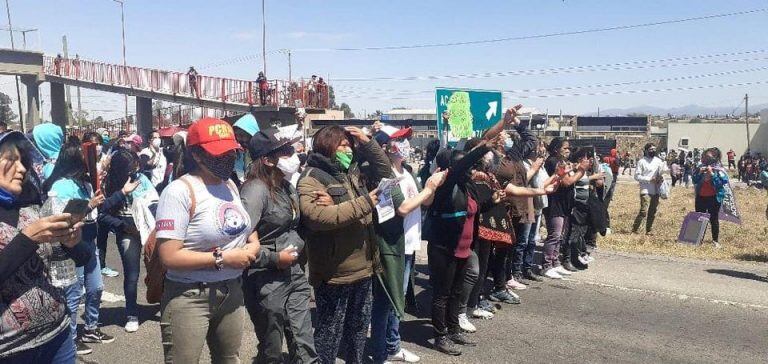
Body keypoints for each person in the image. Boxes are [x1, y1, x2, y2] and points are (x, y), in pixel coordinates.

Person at [156, 118, 260, 363]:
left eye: (230, 152)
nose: (226, 158)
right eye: (219, 153)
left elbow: (246, 227)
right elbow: (169, 257)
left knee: (229, 359)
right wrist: (223, 258)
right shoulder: (179, 191)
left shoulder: (230, 185)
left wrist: (253, 245)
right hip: (190, 295)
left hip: (231, 291)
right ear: (197, 154)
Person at [423, 107, 522, 356]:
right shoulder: (447, 183)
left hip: (463, 248)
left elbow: (474, 211)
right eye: (465, 165)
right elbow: (478, 148)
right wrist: (502, 124)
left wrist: (494, 201)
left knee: (457, 291)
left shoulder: (467, 186)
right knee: (442, 294)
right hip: (444, 248)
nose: (471, 167)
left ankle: (454, 329)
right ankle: (440, 335)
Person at [297, 125, 390, 363]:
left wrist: (367, 142)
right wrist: (364, 202)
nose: (348, 149)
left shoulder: (353, 172)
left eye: (350, 144)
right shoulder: (312, 178)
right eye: (342, 144)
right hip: (335, 273)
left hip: (365, 268)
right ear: (326, 146)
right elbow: (319, 218)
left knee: (358, 331)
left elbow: (385, 171)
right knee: (329, 334)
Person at [0, 131, 87, 363]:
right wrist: (28, 238)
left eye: (23, 162)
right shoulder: (32, 226)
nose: (21, 169)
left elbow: (83, 258)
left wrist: (73, 243)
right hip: (11, 350)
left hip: (57, 337)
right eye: (11, 159)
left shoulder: (31, 210)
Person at [240, 128, 321, 364]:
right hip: (265, 278)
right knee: (271, 348)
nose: (293, 155)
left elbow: (296, 225)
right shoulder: (255, 190)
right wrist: (274, 258)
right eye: (285, 152)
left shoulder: (286, 186)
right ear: (267, 159)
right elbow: (241, 238)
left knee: (303, 340)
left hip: (294, 271)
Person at [369, 131, 445, 364]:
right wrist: (429, 189)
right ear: (388, 148)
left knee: (398, 300)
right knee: (387, 301)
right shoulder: (384, 175)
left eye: (407, 141)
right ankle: (381, 350)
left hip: (409, 244)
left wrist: (432, 185)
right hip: (393, 244)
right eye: (400, 141)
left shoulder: (408, 173)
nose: (406, 146)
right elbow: (402, 208)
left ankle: (392, 345)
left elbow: (425, 201)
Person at [43, 138, 113, 356]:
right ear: (75, 160)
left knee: (96, 287)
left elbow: (95, 212)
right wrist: (90, 204)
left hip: (89, 241)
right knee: (73, 293)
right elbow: (62, 218)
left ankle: (91, 328)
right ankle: (71, 339)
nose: (89, 162)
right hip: (71, 245)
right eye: (85, 158)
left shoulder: (86, 183)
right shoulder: (60, 185)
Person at [98, 148, 146, 333]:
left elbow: (153, 200)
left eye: (135, 167)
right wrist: (122, 226)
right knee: (132, 275)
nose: (134, 172)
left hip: (148, 229)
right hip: (127, 231)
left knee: (160, 269)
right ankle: (131, 313)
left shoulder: (142, 178)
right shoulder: (106, 184)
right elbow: (100, 214)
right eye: (130, 169)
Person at [541, 137, 583, 278]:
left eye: (568, 148)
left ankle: (555, 261)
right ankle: (546, 265)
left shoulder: (564, 162)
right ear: (556, 149)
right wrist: (581, 171)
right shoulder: (553, 161)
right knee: (555, 234)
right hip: (555, 202)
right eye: (564, 148)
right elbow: (567, 182)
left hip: (565, 203)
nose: (567, 150)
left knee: (560, 236)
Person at [692, 148, 729, 248]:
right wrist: (699, 173)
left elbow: (722, 183)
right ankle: (698, 239)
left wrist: (712, 174)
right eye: (704, 156)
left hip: (714, 198)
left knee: (714, 219)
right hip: (701, 197)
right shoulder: (700, 167)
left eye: (708, 157)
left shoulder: (719, 169)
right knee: (700, 218)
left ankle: (715, 241)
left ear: (715, 157)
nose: (705, 159)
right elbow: (694, 180)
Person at [632, 143, 668, 235]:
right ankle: (635, 229)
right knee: (644, 211)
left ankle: (649, 230)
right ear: (646, 150)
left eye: (654, 149)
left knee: (652, 211)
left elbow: (664, 171)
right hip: (645, 190)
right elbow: (637, 176)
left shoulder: (658, 161)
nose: (653, 151)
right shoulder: (642, 162)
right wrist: (649, 179)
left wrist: (662, 177)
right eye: (651, 149)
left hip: (656, 190)